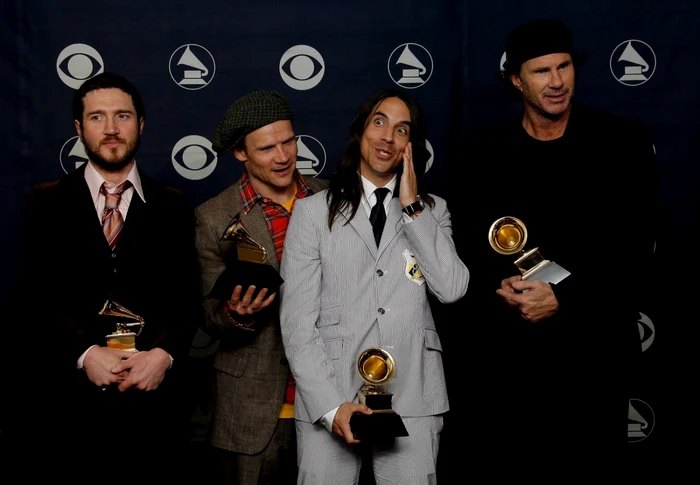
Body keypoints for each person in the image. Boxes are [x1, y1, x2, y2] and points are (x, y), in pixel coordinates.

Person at [448, 19, 659, 474]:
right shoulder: (481, 153)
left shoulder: (623, 143)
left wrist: (563, 297)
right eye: (542, 71)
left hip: (592, 364)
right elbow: (463, 248)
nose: (558, 81)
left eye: (564, 67)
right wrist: (497, 286)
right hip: (509, 367)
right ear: (516, 79)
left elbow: (636, 253)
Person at [8, 72, 201, 480]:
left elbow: (188, 302)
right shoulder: (45, 204)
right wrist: (85, 353)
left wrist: (162, 357)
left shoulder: (174, 206)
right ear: (79, 128)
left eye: (122, 116)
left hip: (154, 415)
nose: (111, 129)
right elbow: (32, 300)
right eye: (97, 117)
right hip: (66, 414)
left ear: (141, 123)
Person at [279, 88, 469, 485]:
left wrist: (414, 208)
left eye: (402, 130)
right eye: (379, 122)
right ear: (360, 131)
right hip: (331, 392)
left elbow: (452, 288)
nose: (387, 137)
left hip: (414, 393)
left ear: (411, 147)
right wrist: (331, 407)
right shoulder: (313, 212)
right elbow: (297, 323)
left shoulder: (432, 211)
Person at [194, 90, 328, 485]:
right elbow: (208, 312)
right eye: (267, 148)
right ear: (241, 154)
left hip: (329, 396)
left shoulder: (332, 197)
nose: (283, 156)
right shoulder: (214, 216)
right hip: (251, 406)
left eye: (288, 141)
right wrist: (235, 314)